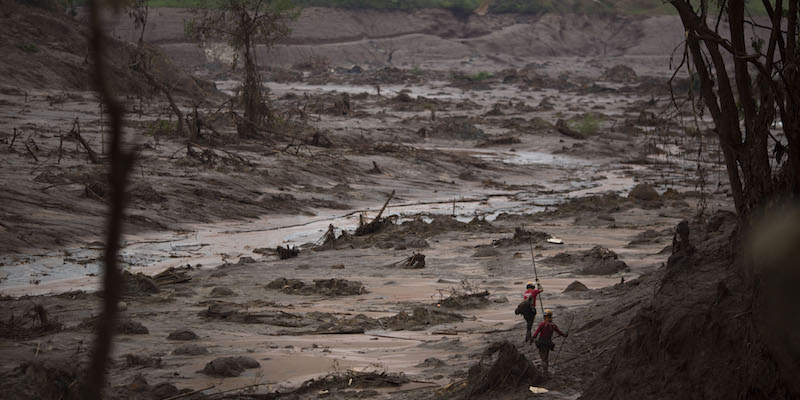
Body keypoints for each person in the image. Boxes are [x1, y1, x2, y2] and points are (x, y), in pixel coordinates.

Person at [532, 309, 567, 374]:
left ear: (545, 316)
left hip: (542, 343)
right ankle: (546, 370)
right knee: (546, 357)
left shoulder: (542, 324)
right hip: (548, 343)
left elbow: (536, 334)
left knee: (543, 358)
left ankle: (545, 371)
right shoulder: (553, 326)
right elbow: (560, 333)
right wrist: (564, 335)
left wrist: (532, 339)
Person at [518, 280, 542, 344]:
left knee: (528, 324)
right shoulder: (534, 292)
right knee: (530, 324)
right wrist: (538, 283)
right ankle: (528, 338)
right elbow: (541, 289)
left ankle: (528, 337)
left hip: (525, 311)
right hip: (531, 311)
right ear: (532, 287)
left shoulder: (525, 293)